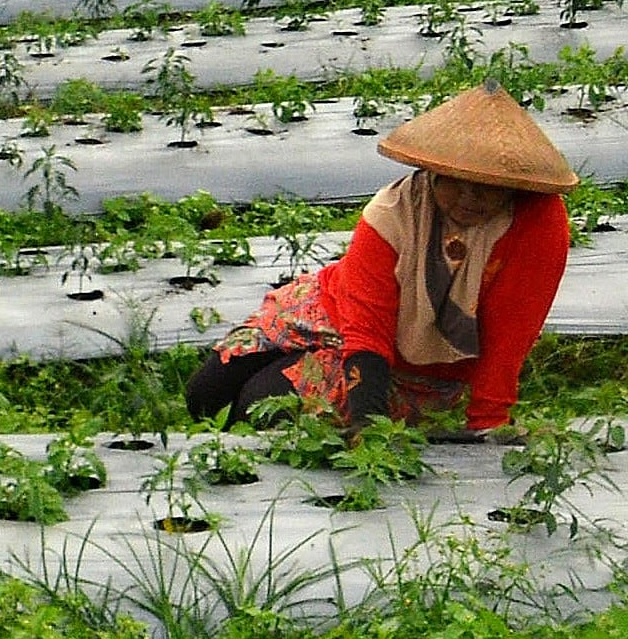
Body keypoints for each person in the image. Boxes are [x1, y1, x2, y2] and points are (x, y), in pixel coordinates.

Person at [187, 83, 575, 435]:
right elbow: (366, 326)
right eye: (457, 182)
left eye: (487, 188)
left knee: (258, 406)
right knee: (206, 394)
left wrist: (488, 423)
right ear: (433, 172)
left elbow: (510, 334)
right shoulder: (395, 212)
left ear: (511, 187)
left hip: (415, 368)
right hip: (333, 307)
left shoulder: (538, 224)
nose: (470, 199)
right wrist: (368, 421)